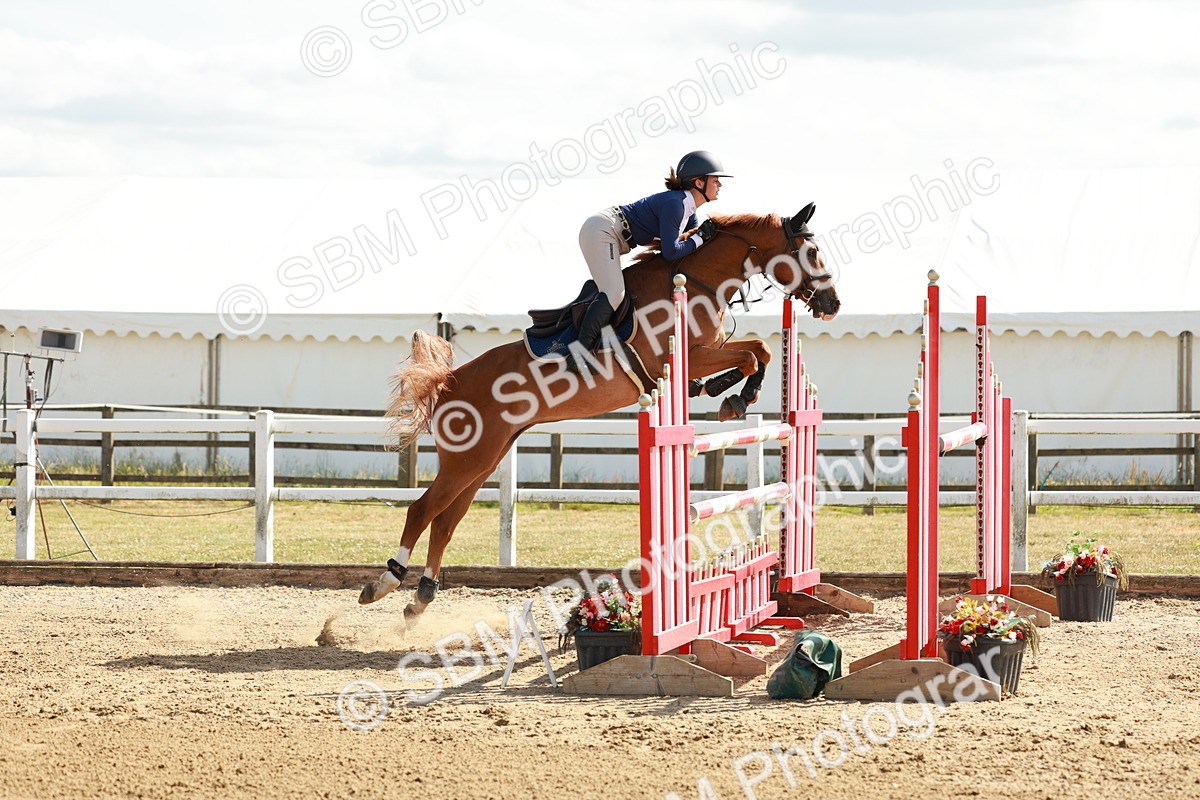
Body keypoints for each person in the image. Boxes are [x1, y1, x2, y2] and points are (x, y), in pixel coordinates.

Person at [574, 150, 731, 354]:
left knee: (620, 291)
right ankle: (579, 355)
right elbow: (671, 252)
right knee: (614, 293)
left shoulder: (689, 213)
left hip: (612, 233)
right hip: (603, 230)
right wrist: (700, 237)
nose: (720, 185)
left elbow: (689, 251)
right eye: (716, 180)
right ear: (699, 183)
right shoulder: (676, 204)